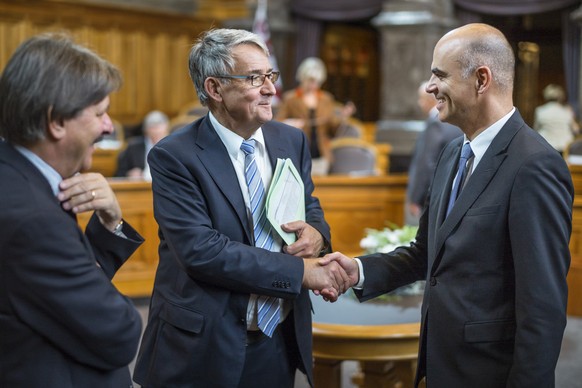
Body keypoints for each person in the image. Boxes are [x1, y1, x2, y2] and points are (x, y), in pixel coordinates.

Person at [323, 23, 573, 387]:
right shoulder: (453, 152)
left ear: (481, 79)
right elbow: (426, 254)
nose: (429, 87)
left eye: (439, 75)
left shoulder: (535, 165)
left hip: (489, 373)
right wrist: (357, 271)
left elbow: (542, 309)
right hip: (440, 365)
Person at [133, 28, 349, 388]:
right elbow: (202, 252)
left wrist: (317, 234)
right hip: (203, 343)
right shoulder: (175, 156)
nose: (270, 89)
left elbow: (309, 205)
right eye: (254, 78)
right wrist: (300, 272)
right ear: (215, 89)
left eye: (270, 76)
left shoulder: (290, 139)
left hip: (276, 336)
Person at [0, 33, 145, 387]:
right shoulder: (32, 217)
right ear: (56, 122)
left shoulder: (18, 177)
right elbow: (119, 332)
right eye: (99, 113)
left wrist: (110, 222)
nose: (109, 126)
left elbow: (58, 297)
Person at [275, 57, 356, 175]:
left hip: (321, 154)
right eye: (311, 80)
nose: (314, 85)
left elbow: (332, 129)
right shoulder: (290, 98)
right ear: (303, 77)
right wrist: (290, 123)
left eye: (317, 81)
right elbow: (277, 123)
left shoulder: (326, 99)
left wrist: (342, 116)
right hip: (297, 153)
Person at [405, 81, 462, 225]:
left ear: (430, 99)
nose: (419, 103)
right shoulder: (455, 121)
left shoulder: (435, 122)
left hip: (431, 196)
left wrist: (416, 197)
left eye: (421, 99)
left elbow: (426, 163)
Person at [115, 109, 169, 179]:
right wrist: (129, 174)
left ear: (167, 131)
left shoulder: (173, 147)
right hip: (140, 186)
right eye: (153, 128)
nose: (156, 131)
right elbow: (119, 174)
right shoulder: (133, 147)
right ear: (146, 131)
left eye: (159, 131)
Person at [533, 83, 580, 154]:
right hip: (564, 147)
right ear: (560, 97)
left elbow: (535, 129)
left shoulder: (540, 110)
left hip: (545, 146)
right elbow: (576, 130)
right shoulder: (567, 111)